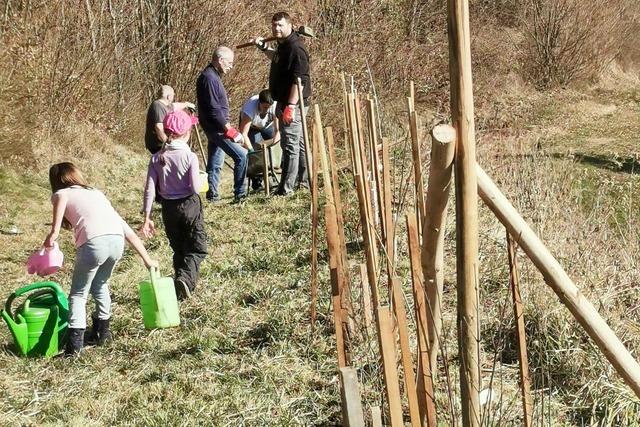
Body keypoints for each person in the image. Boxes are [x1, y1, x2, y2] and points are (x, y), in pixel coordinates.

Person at [43, 162, 158, 356]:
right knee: (100, 284)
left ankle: (74, 347)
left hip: (93, 244)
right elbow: (126, 229)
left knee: (78, 294)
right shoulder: (96, 194)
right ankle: (102, 333)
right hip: (116, 242)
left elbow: (61, 197)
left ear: (56, 181)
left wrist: (53, 233)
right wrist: (147, 259)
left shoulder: (62, 193)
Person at [141, 110, 208, 301]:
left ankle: (180, 282)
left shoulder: (156, 158)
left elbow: (149, 190)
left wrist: (147, 217)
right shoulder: (190, 157)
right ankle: (186, 280)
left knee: (178, 248)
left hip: (168, 210)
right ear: (187, 133)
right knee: (197, 248)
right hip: (189, 205)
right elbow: (195, 187)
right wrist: (203, 181)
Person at [253, 12, 312, 196]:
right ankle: (304, 181)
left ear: (289, 25)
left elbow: (299, 81)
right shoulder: (283, 46)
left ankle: (286, 188)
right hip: (283, 101)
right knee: (299, 143)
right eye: (273, 26)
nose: (276, 29)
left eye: (280, 25)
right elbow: (276, 59)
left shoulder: (296, 49)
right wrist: (264, 48)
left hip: (294, 104)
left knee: (290, 144)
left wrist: (291, 106)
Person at [196, 46, 249, 204]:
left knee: (215, 161)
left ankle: (213, 196)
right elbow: (214, 110)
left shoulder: (212, 76)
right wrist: (230, 130)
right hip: (217, 128)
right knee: (242, 155)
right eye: (229, 62)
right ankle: (240, 195)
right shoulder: (209, 78)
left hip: (215, 127)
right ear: (220, 60)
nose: (231, 66)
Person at [238, 89, 280, 191]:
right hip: (251, 127)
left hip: (267, 125)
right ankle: (256, 182)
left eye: (268, 107)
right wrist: (252, 151)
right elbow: (243, 134)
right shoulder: (250, 109)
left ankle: (274, 178)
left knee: (276, 149)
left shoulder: (274, 105)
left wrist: (273, 147)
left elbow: (278, 131)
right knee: (256, 151)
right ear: (259, 103)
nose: (267, 109)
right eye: (265, 107)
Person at [144, 85, 195, 154]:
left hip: (162, 144)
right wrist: (167, 143)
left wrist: (187, 104)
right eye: (173, 95)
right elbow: (158, 127)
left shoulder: (165, 106)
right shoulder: (157, 106)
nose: (173, 97)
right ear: (168, 96)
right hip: (158, 144)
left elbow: (175, 106)